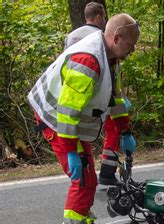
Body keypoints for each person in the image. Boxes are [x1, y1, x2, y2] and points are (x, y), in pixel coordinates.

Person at [28, 13, 140, 224]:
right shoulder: (88, 60)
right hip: (56, 120)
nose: (133, 50)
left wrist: (125, 131)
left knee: (87, 179)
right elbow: (67, 110)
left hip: (69, 123)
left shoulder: (112, 60)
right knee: (84, 181)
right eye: (131, 45)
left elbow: (116, 101)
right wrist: (70, 151)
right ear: (116, 37)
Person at [64, 2, 133, 186]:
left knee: (80, 144)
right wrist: (123, 99)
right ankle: (108, 172)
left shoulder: (72, 36)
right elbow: (113, 77)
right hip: (101, 99)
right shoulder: (103, 40)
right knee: (113, 132)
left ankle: (93, 171)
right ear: (99, 16)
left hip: (79, 102)